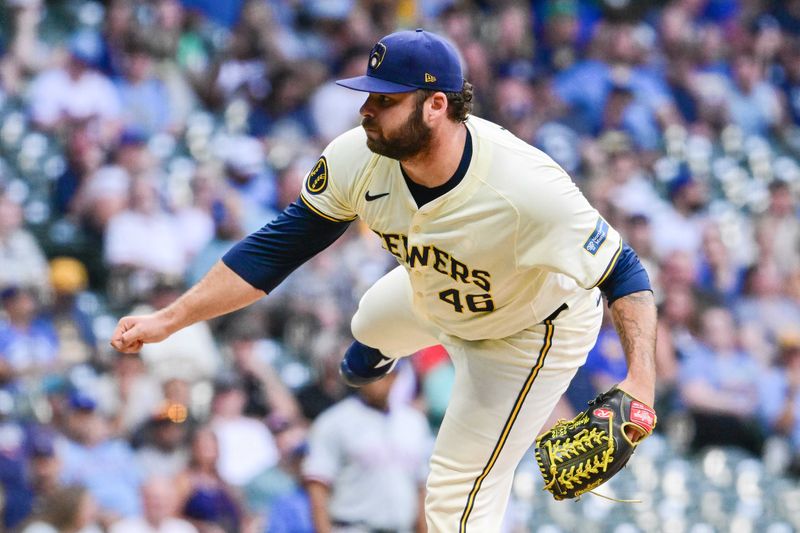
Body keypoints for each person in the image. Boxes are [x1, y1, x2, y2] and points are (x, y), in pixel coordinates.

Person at [112, 29, 657, 532]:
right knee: (368, 320)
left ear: (437, 104)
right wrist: (171, 319)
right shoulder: (359, 156)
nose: (366, 110)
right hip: (440, 289)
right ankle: (380, 349)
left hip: (529, 329)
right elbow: (274, 252)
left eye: (385, 100)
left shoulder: (526, 188)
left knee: (453, 493)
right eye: (367, 94)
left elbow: (625, 271)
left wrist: (640, 385)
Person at [303, 368, 431, 533]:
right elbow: (318, 488)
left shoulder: (414, 422)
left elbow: (422, 489)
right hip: (353, 527)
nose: (378, 380)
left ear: (396, 376)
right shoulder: (334, 421)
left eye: (385, 373)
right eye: (372, 371)